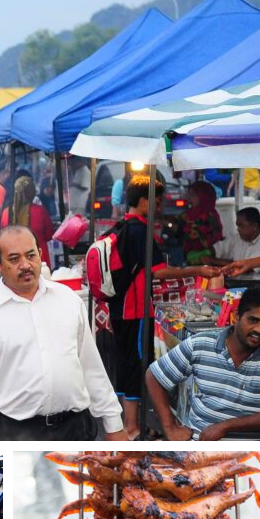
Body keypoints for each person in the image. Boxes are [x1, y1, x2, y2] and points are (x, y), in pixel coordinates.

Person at [0, 226, 126, 440]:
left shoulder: (69, 300)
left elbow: (90, 366)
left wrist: (113, 423)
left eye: (31, 255)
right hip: (17, 433)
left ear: (40, 254)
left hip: (76, 428)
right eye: (14, 259)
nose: (25, 265)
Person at [109, 179, 220, 439]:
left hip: (120, 308)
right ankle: (133, 427)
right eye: (157, 201)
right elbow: (160, 272)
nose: (159, 207)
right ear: (145, 200)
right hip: (135, 309)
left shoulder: (121, 226)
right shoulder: (139, 231)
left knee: (126, 364)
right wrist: (199, 270)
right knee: (137, 365)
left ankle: (129, 424)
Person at [147, 286, 260, 441]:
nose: (259, 329)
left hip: (253, 448)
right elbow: (154, 376)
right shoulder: (201, 343)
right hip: (202, 444)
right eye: (253, 320)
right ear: (237, 317)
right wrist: (170, 428)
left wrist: (226, 426)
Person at [204, 207, 260, 280]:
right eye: (237, 225)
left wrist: (212, 260)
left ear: (254, 226)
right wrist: (204, 252)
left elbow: (247, 267)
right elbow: (220, 248)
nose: (238, 229)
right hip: (239, 284)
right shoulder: (238, 237)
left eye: (241, 226)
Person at [12, 173, 56, 268]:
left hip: (14, 262)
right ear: (32, 192)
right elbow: (49, 235)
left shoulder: (6, 213)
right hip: (39, 259)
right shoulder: (40, 211)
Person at [181, 180, 225, 265]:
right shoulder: (189, 213)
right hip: (190, 258)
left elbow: (209, 240)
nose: (189, 198)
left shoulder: (210, 216)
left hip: (209, 259)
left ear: (204, 196)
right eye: (189, 194)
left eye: (193, 195)